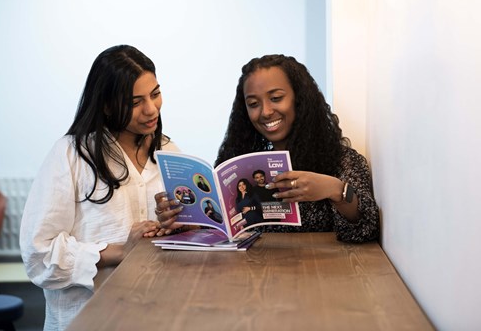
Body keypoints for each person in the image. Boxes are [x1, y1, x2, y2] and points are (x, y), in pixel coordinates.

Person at [19, 45, 179, 331]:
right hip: (87, 320)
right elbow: (39, 255)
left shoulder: (168, 151)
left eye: (155, 94)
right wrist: (120, 251)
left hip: (154, 314)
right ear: (106, 105)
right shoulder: (71, 155)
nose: (151, 109)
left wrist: (177, 224)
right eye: (135, 102)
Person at [156, 54, 379, 243]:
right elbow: (218, 232)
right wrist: (181, 218)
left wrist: (334, 189)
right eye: (253, 104)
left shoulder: (342, 160)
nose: (265, 112)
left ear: (299, 100)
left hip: (320, 280)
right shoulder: (238, 164)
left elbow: (366, 229)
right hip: (252, 282)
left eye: (276, 98)